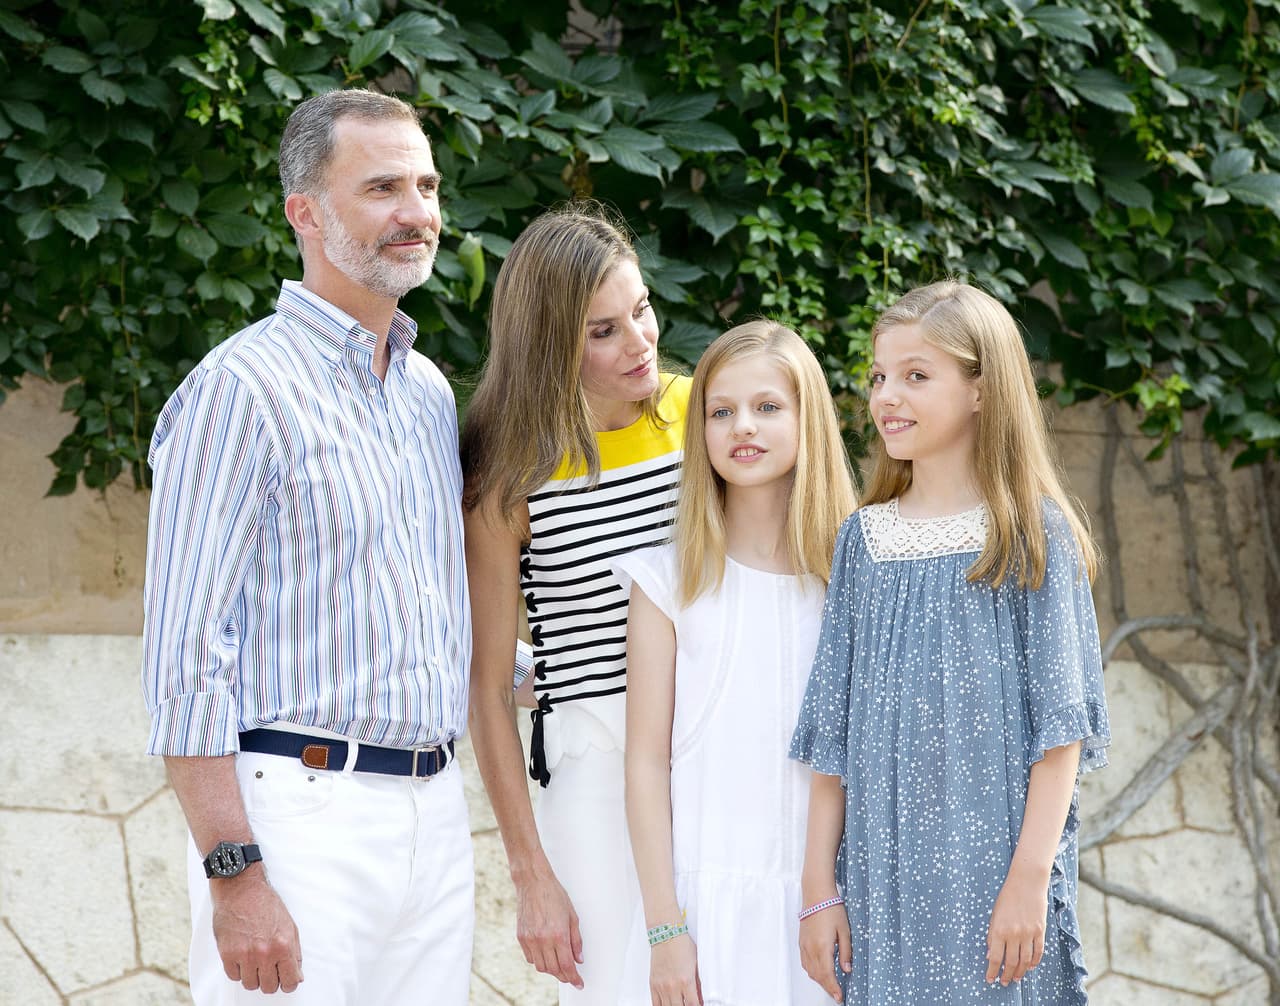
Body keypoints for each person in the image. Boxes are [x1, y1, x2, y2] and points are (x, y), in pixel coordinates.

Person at [140, 89, 482, 1004]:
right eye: (382, 188)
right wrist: (235, 874)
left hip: (435, 816)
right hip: (300, 816)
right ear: (306, 212)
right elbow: (184, 653)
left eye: (426, 186)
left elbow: (431, 618)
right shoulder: (240, 388)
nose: (416, 212)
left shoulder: (426, 394)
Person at [790, 280, 1111, 1004]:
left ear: (980, 391)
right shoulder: (863, 541)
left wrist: (1029, 882)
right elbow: (832, 740)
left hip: (1000, 878)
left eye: (916, 375)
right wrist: (818, 890)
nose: (886, 396)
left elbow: (1061, 735)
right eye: (879, 377)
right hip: (881, 883)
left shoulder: (1032, 534)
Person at [462, 202, 692, 1004]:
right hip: (594, 768)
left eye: (641, 310)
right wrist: (531, 874)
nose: (640, 341)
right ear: (549, 344)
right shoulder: (508, 472)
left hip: (712, 745)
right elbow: (489, 686)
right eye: (603, 331)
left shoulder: (704, 416)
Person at [615, 321, 857, 1006]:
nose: (742, 426)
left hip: (825, 910)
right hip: (700, 914)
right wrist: (666, 928)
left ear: (809, 419)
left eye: (767, 406)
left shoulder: (851, 581)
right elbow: (645, 763)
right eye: (720, 411)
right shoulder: (668, 582)